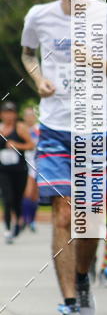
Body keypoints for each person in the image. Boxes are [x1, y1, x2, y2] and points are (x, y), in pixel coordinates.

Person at [21, 0, 107, 315]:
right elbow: (28, 53)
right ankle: (68, 304)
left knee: (90, 223)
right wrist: (38, 80)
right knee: (64, 216)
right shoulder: (39, 16)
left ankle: (83, 276)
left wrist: (100, 62)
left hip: (96, 128)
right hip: (54, 127)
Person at [0, 102, 35, 244]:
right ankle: (8, 229)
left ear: (15, 115)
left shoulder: (20, 128)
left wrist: (17, 145)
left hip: (19, 170)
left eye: (11, 112)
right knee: (7, 199)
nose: (9, 115)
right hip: (3, 171)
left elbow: (31, 145)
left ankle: (18, 223)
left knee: (17, 200)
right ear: (2, 114)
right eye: (6, 112)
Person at [21, 106, 40, 232]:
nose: (29, 118)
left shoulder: (39, 129)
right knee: (27, 192)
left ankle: (32, 220)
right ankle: (24, 219)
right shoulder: (21, 129)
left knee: (35, 195)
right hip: (24, 163)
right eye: (27, 115)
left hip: (37, 162)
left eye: (31, 115)